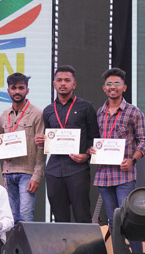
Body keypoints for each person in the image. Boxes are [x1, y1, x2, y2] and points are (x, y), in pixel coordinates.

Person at [88, 68, 145, 252]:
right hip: (104, 176)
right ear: (104, 88)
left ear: (124, 87)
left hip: (124, 176)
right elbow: (96, 140)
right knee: (112, 221)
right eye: (109, 84)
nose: (112, 87)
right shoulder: (99, 113)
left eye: (117, 83)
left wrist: (132, 160)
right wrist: (92, 149)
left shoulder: (134, 112)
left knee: (127, 219)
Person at [34, 65, 99, 223]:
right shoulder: (48, 110)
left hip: (77, 169)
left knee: (82, 215)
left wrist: (86, 155)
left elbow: (94, 137)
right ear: (54, 84)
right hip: (54, 170)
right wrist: (41, 141)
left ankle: (85, 241)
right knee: (59, 218)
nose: (63, 83)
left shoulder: (86, 107)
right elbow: (49, 138)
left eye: (67, 80)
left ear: (74, 84)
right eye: (59, 80)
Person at [0, 73, 44, 223]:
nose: (17, 91)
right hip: (8, 172)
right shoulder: (4, 115)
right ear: (8, 91)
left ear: (27, 90)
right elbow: (1, 142)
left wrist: (37, 176)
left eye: (21, 88)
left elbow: (41, 148)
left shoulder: (37, 113)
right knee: (11, 218)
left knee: (25, 217)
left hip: (27, 172)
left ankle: (26, 241)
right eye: (14, 88)